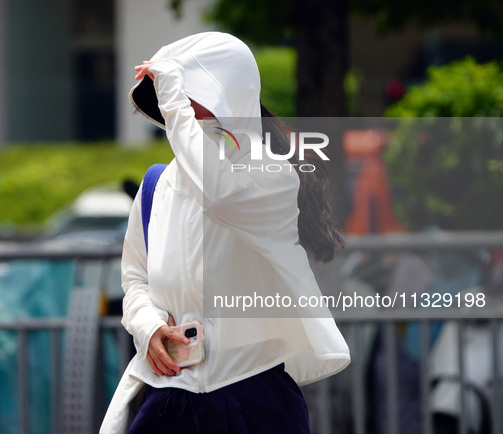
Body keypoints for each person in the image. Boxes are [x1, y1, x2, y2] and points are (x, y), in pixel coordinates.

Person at [100, 32, 350, 434]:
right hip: (168, 396)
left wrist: (175, 107)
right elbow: (135, 280)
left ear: (228, 99)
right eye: (175, 99)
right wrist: (148, 329)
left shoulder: (274, 175)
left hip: (254, 398)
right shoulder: (155, 185)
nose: (181, 109)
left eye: (190, 97)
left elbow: (218, 195)